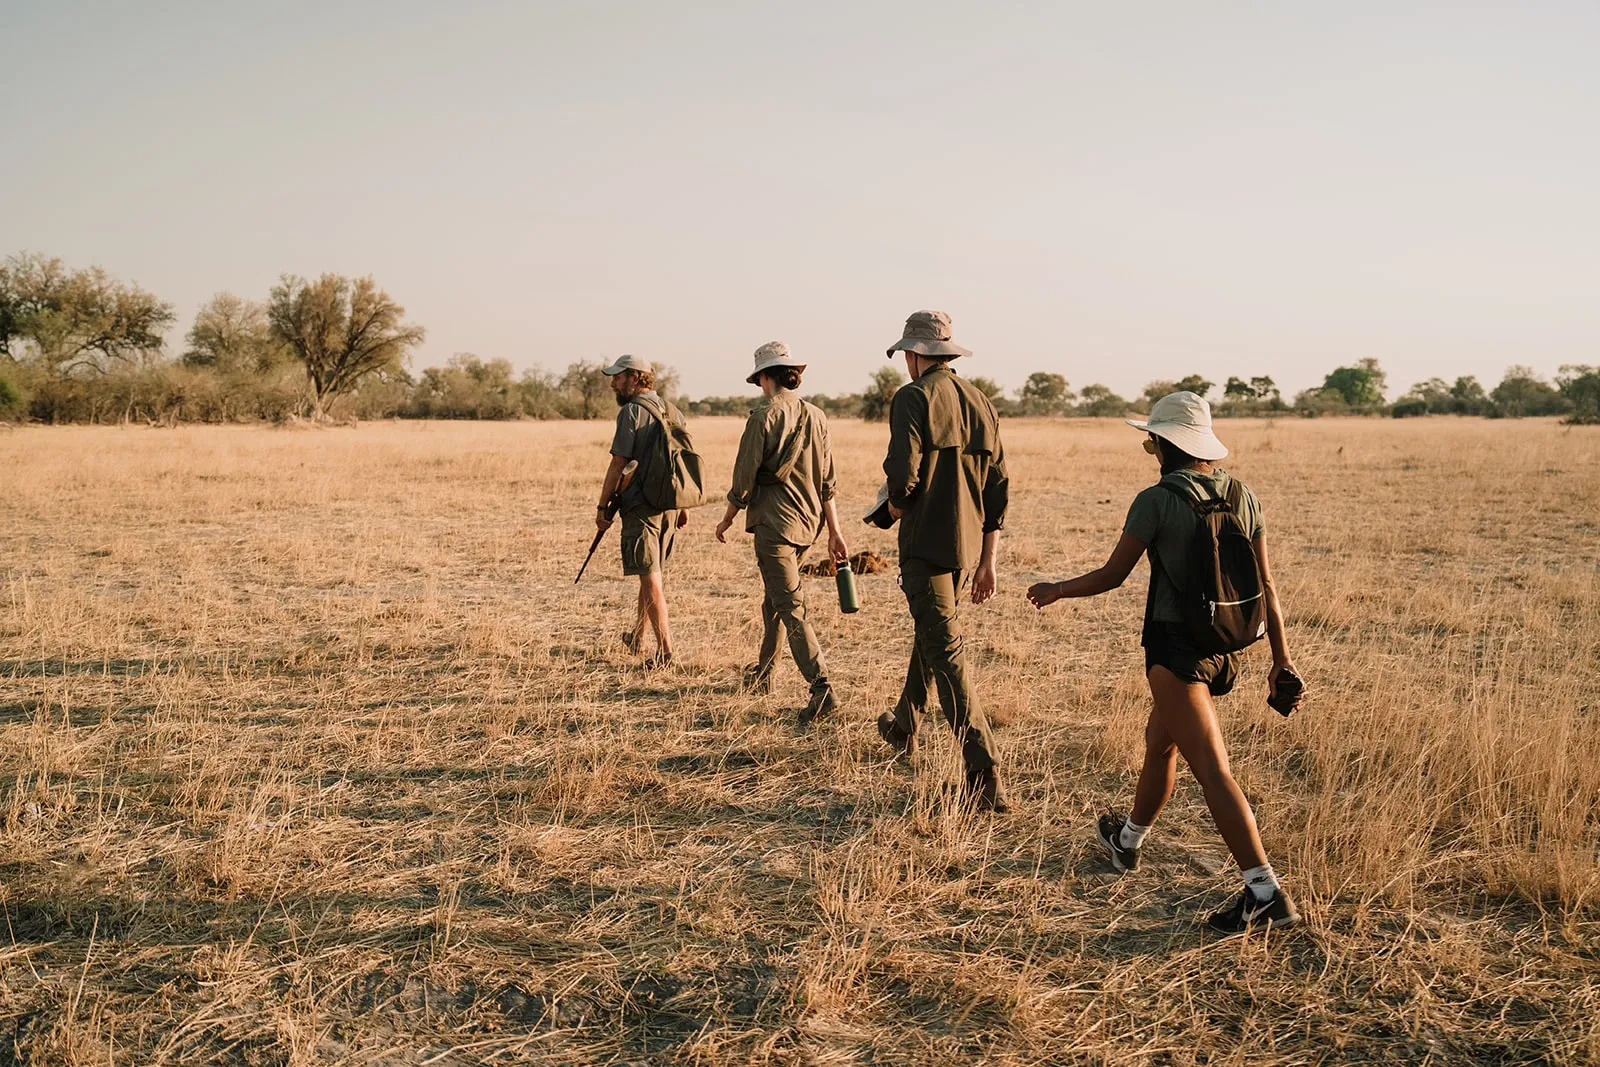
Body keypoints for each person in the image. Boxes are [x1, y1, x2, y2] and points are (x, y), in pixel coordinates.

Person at [1026, 391, 1304, 935]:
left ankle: (1264, 893)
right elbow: (1268, 585)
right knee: (1162, 743)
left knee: (1213, 769)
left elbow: (1112, 576)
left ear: (1163, 444)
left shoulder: (1155, 500)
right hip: (1226, 645)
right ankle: (1126, 841)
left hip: (1176, 653)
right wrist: (1281, 660)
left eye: (1152, 439)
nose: (1150, 446)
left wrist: (1057, 589)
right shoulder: (1244, 496)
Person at [874, 310, 1011, 813]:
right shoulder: (982, 402)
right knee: (933, 633)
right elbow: (998, 488)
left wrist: (892, 504)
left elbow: (904, 476)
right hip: (967, 548)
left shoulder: (912, 397)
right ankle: (904, 725)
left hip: (926, 545)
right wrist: (988, 561)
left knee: (946, 652)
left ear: (914, 356)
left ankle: (983, 771)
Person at [714, 342, 850, 726]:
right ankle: (763, 673)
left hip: (774, 526)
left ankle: (821, 687)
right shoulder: (817, 416)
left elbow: (743, 478)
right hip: (809, 525)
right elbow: (828, 482)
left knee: (790, 606)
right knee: (773, 601)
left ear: (765, 377)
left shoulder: (762, 416)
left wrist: (727, 518)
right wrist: (834, 532)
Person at [595, 354, 689, 668]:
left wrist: (602, 506)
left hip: (640, 507)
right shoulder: (673, 410)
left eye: (618, 377)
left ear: (635, 378)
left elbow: (617, 463)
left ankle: (666, 653)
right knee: (649, 573)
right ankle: (636, 637)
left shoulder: (632, 412)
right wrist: (683, 504)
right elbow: (682, 461)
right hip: (670, 507)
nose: (613, 383)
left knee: (650, 579)